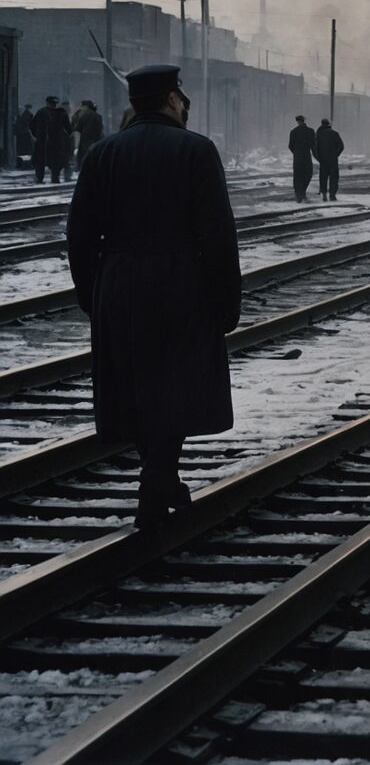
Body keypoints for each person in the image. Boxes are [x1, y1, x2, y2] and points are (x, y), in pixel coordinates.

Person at [66, 64, 241, 529]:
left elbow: (79, 234)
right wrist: (226, 299)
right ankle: (157, 479)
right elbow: (218, 235)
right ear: (170, 100)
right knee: (175, 384)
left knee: (137, 384)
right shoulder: (197, 151)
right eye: (181, 98)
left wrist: (92, 293)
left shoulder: (102, 154)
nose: (185, 105)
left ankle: (159, 477)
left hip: (118, 283)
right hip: (182, 283)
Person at [32, 95, 72, 184]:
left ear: (47, 103)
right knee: (56, 160)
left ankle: (39, 177)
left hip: (43, 140)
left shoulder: (40, 112)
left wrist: (37, 136)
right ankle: (55, 177)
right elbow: (68, 128)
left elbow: (32, 125)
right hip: (56, 141)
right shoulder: (61, 113)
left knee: (41, 160)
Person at [314, 117, 344, 201]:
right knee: (334, 178)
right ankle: (332, 195)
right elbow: (341, 146)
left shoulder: (318, 135)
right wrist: (335, 154)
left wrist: (318, 158)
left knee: (323, 178)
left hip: (323, 160)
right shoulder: (335, 134)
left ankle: (324, 194)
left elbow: (315, 148)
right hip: (333, 160)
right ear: (328, 124)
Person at [288, 114, 316, 202]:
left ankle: (298, 194)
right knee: (307, 174)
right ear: (304, 121)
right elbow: (313, 144)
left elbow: (290, 145)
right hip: (306, 155)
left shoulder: (293, 132)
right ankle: (302, 192)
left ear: (297, 121)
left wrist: (296, 152)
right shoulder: (310, 131)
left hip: (297, 156)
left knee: (297, 175)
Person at [72, 100, 104, 170]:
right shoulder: (98, 116)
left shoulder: (82, 115)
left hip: (85, 139)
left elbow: (77, 128)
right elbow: (101, 128)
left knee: (84, 157)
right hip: (96, 139)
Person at [15, 104, 34, 169]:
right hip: (26, 134)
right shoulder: (30, 115)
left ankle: (22, 165)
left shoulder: (22, 115)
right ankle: (27, 165)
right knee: (27, 150)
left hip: (21, 134)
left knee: (22, 150)